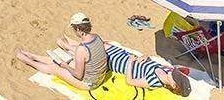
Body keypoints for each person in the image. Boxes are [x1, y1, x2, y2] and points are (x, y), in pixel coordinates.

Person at [56, 37, 191, 96]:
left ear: (174, 86)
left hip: (118, 63)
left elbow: (129, 81)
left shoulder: (154, 82)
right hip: (125, 55)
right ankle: (71, 46)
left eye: (176, 77)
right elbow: (148, 60)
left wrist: (131, 63)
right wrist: (145, 57)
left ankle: (67, 47)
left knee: (95, 53)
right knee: (102, 45)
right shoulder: (165, 70)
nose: (174, 73)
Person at [15, 13, 108, 90]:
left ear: (78, 29)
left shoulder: (82, 49)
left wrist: (65, 66)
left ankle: (27, 61)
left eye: (73, 29)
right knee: (62, 60)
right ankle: (33, 56)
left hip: (90, 83)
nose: (74, 32)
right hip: (99, 76)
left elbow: (78, 75)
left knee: (55, 68)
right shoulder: (96, 37)